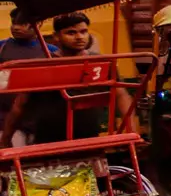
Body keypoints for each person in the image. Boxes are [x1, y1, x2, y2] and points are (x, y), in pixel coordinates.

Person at [3, 12, 108, 145]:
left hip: (90, 138)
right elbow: (20, 105)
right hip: (47, 139)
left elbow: (121, 96)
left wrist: (131, 130)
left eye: (83, 32)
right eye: (71, 33)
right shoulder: (40, 63)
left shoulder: (100, 62)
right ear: (56, 36)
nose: (79, 37)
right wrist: (6, 139)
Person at [0, 9, 52, 146]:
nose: (16, 27)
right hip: (5, 119)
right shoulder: (2, 47)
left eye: (22, 23)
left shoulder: (51, 51)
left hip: (40, 120)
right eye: (13, 23)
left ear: (39, 23)